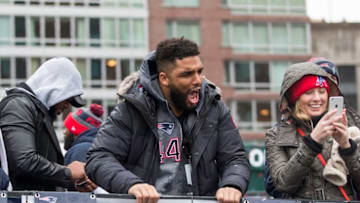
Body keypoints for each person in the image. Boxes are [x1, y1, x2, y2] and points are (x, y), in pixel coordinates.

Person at [86, 38, 250, 203]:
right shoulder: (131, 110)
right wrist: (132, 185)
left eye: (199, 71)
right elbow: (99, 158)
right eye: (187, 74)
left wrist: (233, 184)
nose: (198, 80)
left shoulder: (214, 107)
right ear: (164, 78)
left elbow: (234, 158)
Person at [264, 57, 360, 199]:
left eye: (322, 92)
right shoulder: (276, 134)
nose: (317, 98)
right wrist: (312, 142)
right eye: (308, 92)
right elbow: (283, 184)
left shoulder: (350, 126)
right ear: (295, 97)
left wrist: (346, 146)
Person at [0, 57, 94, 191]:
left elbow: (35, 171)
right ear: (55, 87)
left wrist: (73, 183)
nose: (67, 105)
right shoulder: (19, 106)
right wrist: (68, 173)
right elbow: (23, 161)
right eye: (67, 98)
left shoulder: (34, 109)